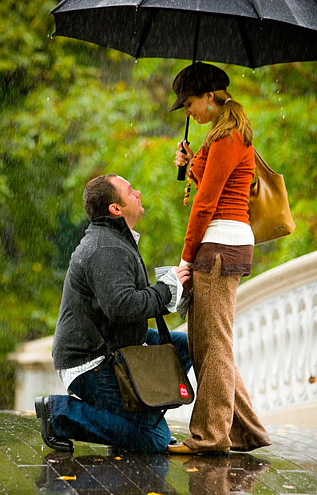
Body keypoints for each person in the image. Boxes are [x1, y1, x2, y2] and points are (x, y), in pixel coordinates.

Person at [35, 173, 191, 454]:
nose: (139, 193)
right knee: (153, 440)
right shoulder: (106, 248)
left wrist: (171, 289)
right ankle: (60, 413)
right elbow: (123, 307)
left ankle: (136, 417)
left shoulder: (115, 240)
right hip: (91, 361)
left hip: (116, 344)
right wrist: (166, 290)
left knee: (186, 347)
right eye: (131, 191)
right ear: (115, 209)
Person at [167, 62, 271, 454]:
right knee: (208, 343)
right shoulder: (221, 136)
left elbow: (207, 203)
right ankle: (248, 432)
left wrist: (184, 257)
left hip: (219, 247)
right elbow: (211, 185)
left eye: (190, 102)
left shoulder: (227, 137)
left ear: (210, 97)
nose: (188, 111)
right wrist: (191, 163)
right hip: (223, 245)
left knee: (214, 346)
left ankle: (210, 437)